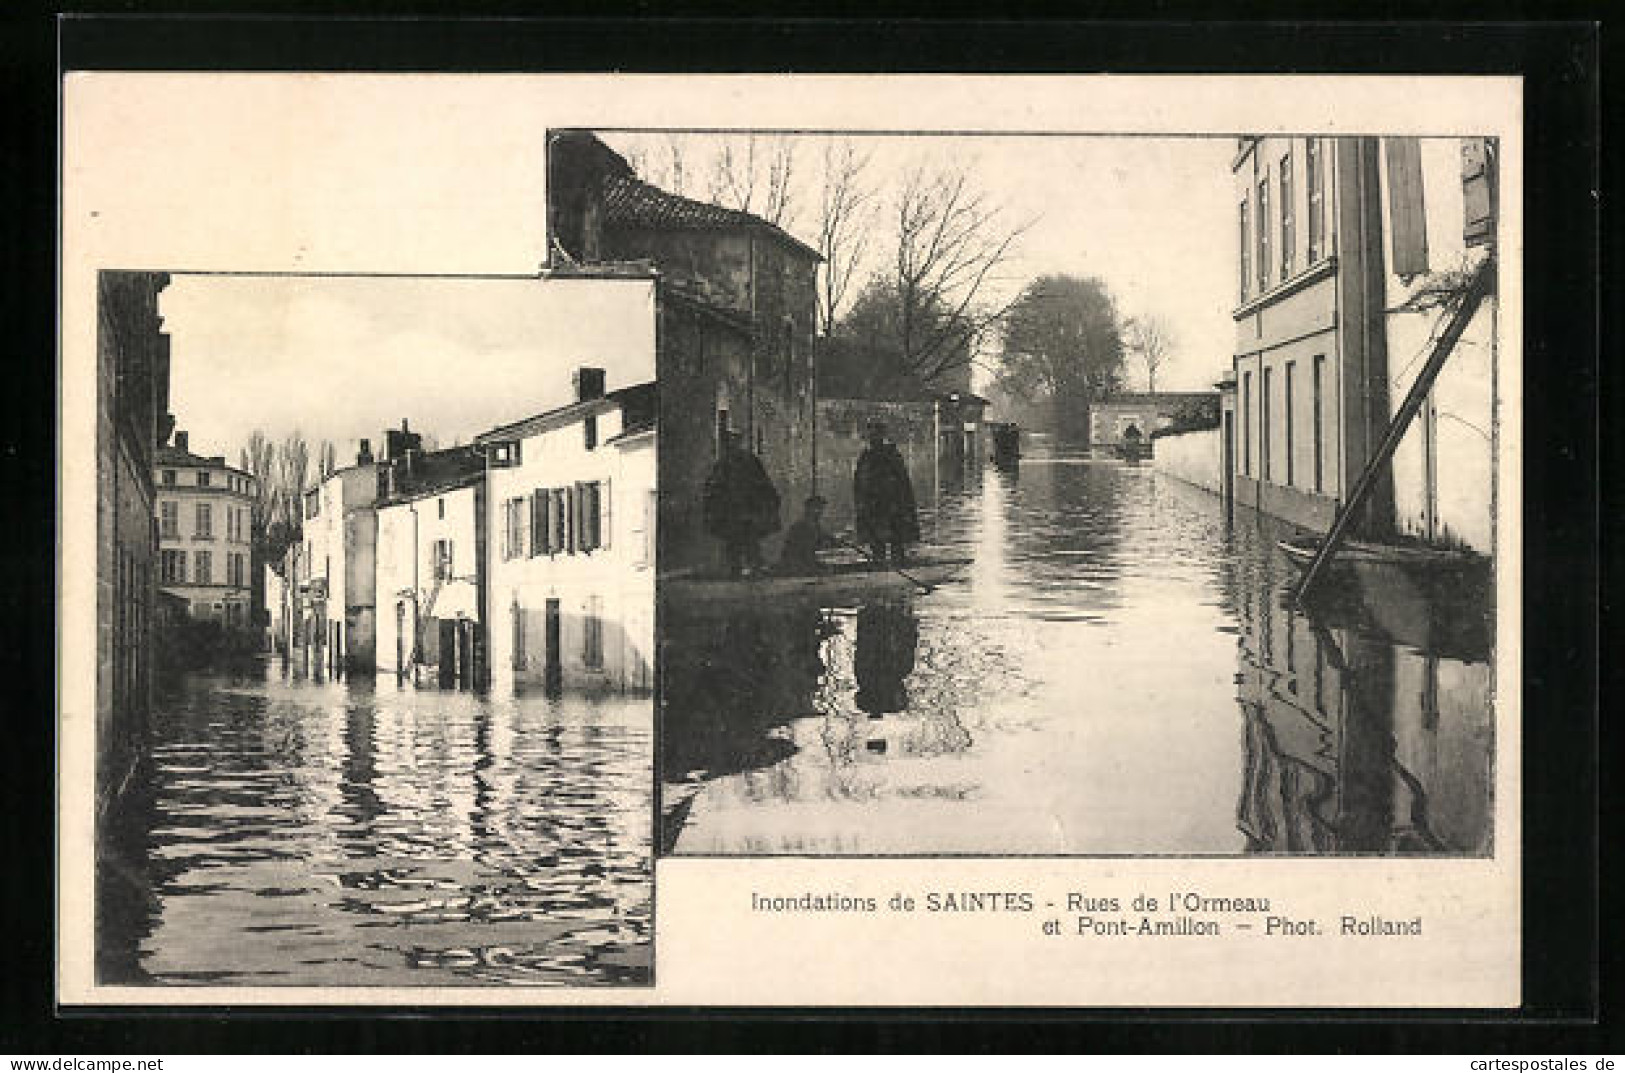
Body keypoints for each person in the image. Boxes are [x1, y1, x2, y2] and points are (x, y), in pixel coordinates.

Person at [702, 430, 781, 578]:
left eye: (736, 440)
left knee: (751, 541)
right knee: (733, 542)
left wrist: (766, 501)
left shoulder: (751, 460)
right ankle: (735, 570)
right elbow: (714, 486)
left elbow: (762, 482)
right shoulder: (723, 463)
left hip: (749, 509)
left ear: (740, 442)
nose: (733, 444)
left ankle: (755, 569)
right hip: (731, 511)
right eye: (730, 441)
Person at [853, 420, 920, 566]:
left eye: (875, 434)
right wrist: (861, 504)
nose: (872, 437)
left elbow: (902, 483)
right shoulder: (866, 456)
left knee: (896, 541)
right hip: (872, 509)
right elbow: (859, 483)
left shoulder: (892, 455)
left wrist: (901, 506)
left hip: (891, 508)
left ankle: (898, 565)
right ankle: (879, 566)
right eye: (870, 434)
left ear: (882, 435)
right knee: (876, 543)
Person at [777, 495, 829, 576]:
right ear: (807, 509)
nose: (819, 512)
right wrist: (814, 569)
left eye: (821, 508)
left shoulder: (816, 526)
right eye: (816, 508)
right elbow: (802, 553)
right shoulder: (801, 527)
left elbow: (824, 538)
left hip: (805, 564)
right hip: (794, 566)